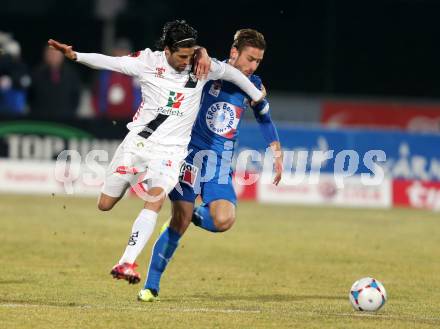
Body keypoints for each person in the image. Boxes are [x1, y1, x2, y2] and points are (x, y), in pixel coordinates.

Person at [48, 20, 265, 290]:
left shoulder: (201, 65)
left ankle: (126, 262)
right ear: (166, 50)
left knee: (155, 200)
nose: (188, 63)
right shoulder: (148, 62)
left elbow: (234, 76)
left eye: (191, 55)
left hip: (171, 153)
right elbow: (109, 62)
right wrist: (75, 55)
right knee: (105, 204)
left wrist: (258, 97)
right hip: (137, 145)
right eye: (182, 57)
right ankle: (129, 203)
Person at [138, 29, 283, 302]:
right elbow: (191, 55)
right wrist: (201, 51)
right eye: (250, 59)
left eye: (258, 62)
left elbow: (264, 115)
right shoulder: (209, 69)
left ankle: (190, 215)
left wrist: (276, 150)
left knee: (224, 219)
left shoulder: (253, 84)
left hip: (219, 163)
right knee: (179, 224)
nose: (253, 66)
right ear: (233, 53)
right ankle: (150, 286)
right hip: (189, 157)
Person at [91, 38, 142, 119]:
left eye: (124, 51)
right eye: (119, 50)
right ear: (114, 52)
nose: (121, 54)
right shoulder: (103, 73)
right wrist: (99, 113)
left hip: (129, 119)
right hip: (106, 118)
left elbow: (142, 97)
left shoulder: (136, 74)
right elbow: (95, 94)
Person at [29, 44, 80, 118]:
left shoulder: (71, 74)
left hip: (65, 118)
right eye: (51, 54)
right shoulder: (36, 74)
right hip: (41, 118)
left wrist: (70, 113)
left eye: (56, 54)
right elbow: (30, 96)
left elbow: (76, 96)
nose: (53, 57)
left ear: (62, 55)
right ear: (45, 55)